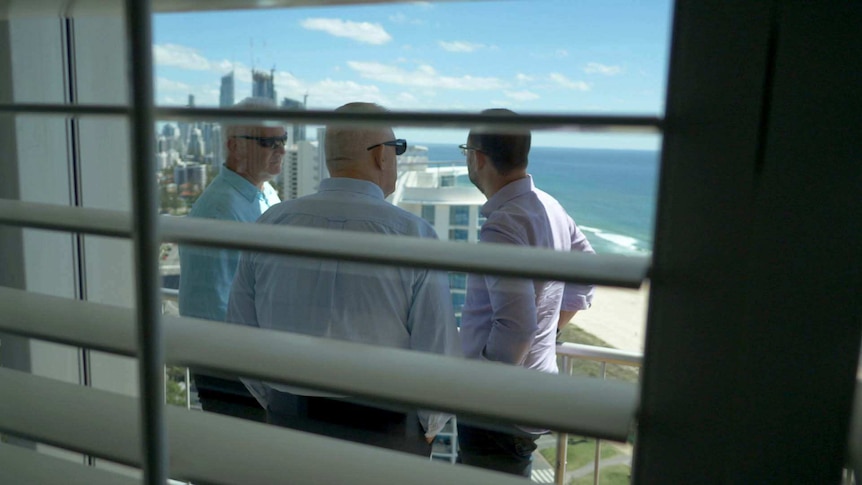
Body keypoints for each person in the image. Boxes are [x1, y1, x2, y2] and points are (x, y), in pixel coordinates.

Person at [226, 102, 460, 456]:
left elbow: (240, 328)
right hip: (386, 430)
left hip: (290, 426)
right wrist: (427, 429)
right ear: (381, 156)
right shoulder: (413, 236)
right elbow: (438, 346)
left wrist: (277, 401)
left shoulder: (272, 224)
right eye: (397, 149)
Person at [456, 108, 595, 477]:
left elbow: (516, 327)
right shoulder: (550, 206)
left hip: (496, 410)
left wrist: (480, 390)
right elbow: (588, 270)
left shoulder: (503, 225)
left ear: (478, 157)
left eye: (464, 151)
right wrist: (553, 329)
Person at [178, 96, 285, 422]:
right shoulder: (219, 211)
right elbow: (211, 307)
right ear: (235, 147)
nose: (280, 149)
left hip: (261, 364)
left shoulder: (266, 194)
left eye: (283, 140)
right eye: (269, 142)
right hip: (233, 372)